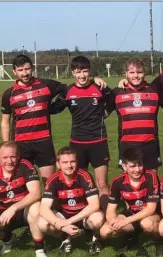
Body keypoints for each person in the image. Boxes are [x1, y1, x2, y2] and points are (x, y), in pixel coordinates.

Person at [0, 55, 106, 179]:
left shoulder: (46, 85)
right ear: (14, 71)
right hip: (21, 144)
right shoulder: (8, 94)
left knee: (48, 183)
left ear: (32, 68)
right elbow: (5, 122)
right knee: (22, 184)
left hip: (44, 142)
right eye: (20, 70)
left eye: (27, 69)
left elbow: (72, 87)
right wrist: (7, 146)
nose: (24, 73)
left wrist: (93, 80)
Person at [50, 56, 112, 211]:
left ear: (89, 71)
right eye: (78, 72)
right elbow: (54, 108)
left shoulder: (99, 87)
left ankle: (104, 217)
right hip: (77, 144)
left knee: (102, 183)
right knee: (79, 183)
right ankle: (82, 214)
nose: (82, 75)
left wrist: (105, 112)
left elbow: (114, 98)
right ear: (73, 73)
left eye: (85, 71)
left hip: (98, 142)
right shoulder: (68, 91)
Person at [0, 141, 46, 257]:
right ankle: (8, 238)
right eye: (5, 157)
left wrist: (13, 208)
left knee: (36, 207)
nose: (9, 161)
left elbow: (36, 194)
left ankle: (39, 250)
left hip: (26, 211)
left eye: (12, 157)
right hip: (6, 216)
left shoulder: (25, 166)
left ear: (18, 156)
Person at [38, 147, 105, 255]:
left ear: (77, 162)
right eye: (65, 162)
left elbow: (94, 205)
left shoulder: (84, 175)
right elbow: (43, 208)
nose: (69, 166)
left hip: (83, 215)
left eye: (72, 161)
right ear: (58, 164)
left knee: (97, 219)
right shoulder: (53, 179)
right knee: (42, 224)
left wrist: (69, 222)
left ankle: (95, 237)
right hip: (64, 215)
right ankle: (65, 237)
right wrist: (61, 225)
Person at [99, 148, 161, 257]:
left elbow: (151, 209)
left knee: (147, 224)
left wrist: (126, 221)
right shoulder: (117, 181)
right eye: (132, 166)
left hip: (151, 214)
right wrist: (113, 222)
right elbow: (110, 209)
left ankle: (158, 241)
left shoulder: (151, 176)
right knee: (105, 231)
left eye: (140, 165)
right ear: (124, 166)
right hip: (132, 213)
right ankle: (131, 236)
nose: (137, 169)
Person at [107, 59, 163, 171]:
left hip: (150, 144)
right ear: (126, 74)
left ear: (144, 73)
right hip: (127, 145)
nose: (136, 76)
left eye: (139, 72)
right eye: (132, 72)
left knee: (152, 182)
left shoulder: (155, 90)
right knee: (129, 184)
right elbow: (100, 111)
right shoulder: (117, 92)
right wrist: (95, 80)